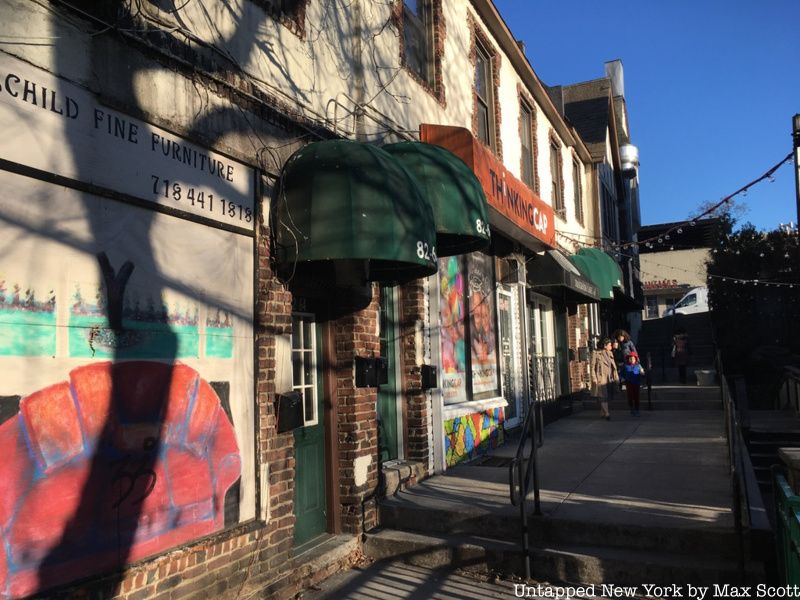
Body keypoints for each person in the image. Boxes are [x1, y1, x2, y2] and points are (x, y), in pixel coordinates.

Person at [591, 338, 619, 421]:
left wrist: (615, 377)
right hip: (600, 378)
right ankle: (607, 414)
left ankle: (602, 412)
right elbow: (592, 367)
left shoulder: (610, 353)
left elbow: (612, 366)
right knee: (603, 396)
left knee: (607, 396)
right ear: (604, 345)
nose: (611, 346)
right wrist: (594, 378)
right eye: (609, 345)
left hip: (609, 378)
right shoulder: (596, 353)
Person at [621, 351, 645, 416]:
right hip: (629, 383)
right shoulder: (625, 366)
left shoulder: (638, 365)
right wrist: (622, 378)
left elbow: (642, 373)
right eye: (630, 358)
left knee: (636, 396)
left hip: (636, 383)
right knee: (630, 396)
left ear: (636, 359)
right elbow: (622, 373)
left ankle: (637, 409)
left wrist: (642, 372)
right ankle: (632, 408)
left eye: (633, 358)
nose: (632, 360)